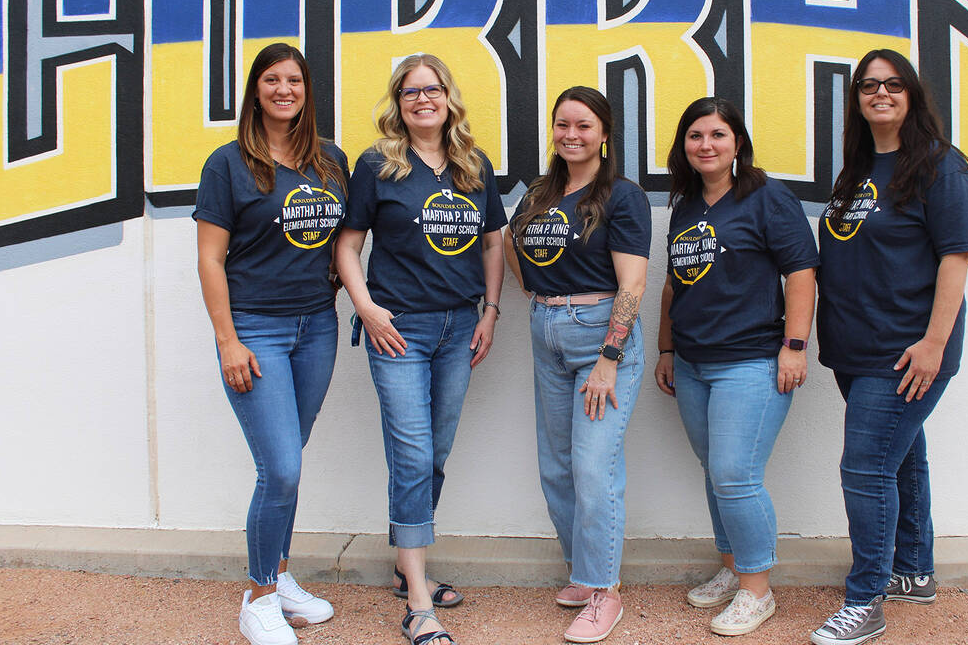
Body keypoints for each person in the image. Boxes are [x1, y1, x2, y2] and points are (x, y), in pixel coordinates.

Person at [334, 53, 505, 645]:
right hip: (398, 329)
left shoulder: (473, 165)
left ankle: (408, 562)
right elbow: (348, 245)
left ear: (448, 97)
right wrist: (367, 308)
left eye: (432, 89)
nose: (422, 100)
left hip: (460, 328)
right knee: (411, 453)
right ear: (398, 102)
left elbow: (491, 245)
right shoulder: (378, 166)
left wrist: (490, 310)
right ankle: (416, 599)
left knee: (435, 451)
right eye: (410, 92)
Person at [810, 49, 968, 645]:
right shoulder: (857, 169)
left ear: (912, 94)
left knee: (865, 467)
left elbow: (956, 258)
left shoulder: (941, 167)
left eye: (893, 84)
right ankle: (912, 570)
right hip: (855, 349)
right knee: (901, 459)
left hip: (907, 350)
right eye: (868, 86)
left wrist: (935, 342)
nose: (880, 94)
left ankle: (866, 599)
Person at [195, 43, 349, 645]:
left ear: (307, 90)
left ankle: (280, 576)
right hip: (255, 330)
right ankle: (258, 596)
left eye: (294, 80)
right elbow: (210, 259)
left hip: (317, 326)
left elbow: (343, 242)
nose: (284, 89)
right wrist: (227, 340)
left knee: (289, 459)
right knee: (280, 467)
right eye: (272, 79)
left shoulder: (329, 161)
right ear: (255, 90)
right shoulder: (227, 163)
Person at [653, 97, 819, 636]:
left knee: (735, 475)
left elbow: (801, 272)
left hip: (751, 361)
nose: (706, 144)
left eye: (717, 135)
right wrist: (667, 349)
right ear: (685, 147)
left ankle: (757, 590)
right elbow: (675, 284)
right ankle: (731, 569)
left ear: (737, 143)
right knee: (716, 472)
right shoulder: (686, 206)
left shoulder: (768, 197)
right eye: (696, 136)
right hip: (695, 362)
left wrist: (795, 344)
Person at [504, 86, 651, 644]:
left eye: (583, 125)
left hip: (601, 340)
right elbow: (516, 249)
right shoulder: (540, 194)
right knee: (558, 465)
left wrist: (610, 358)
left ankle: (604, 591)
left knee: (593, 465)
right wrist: (543, 299)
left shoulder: (622, 196)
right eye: (562, 124)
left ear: (604, 134)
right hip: (547, 332)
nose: (571, 134)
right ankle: (584, 574)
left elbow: (633, 284)